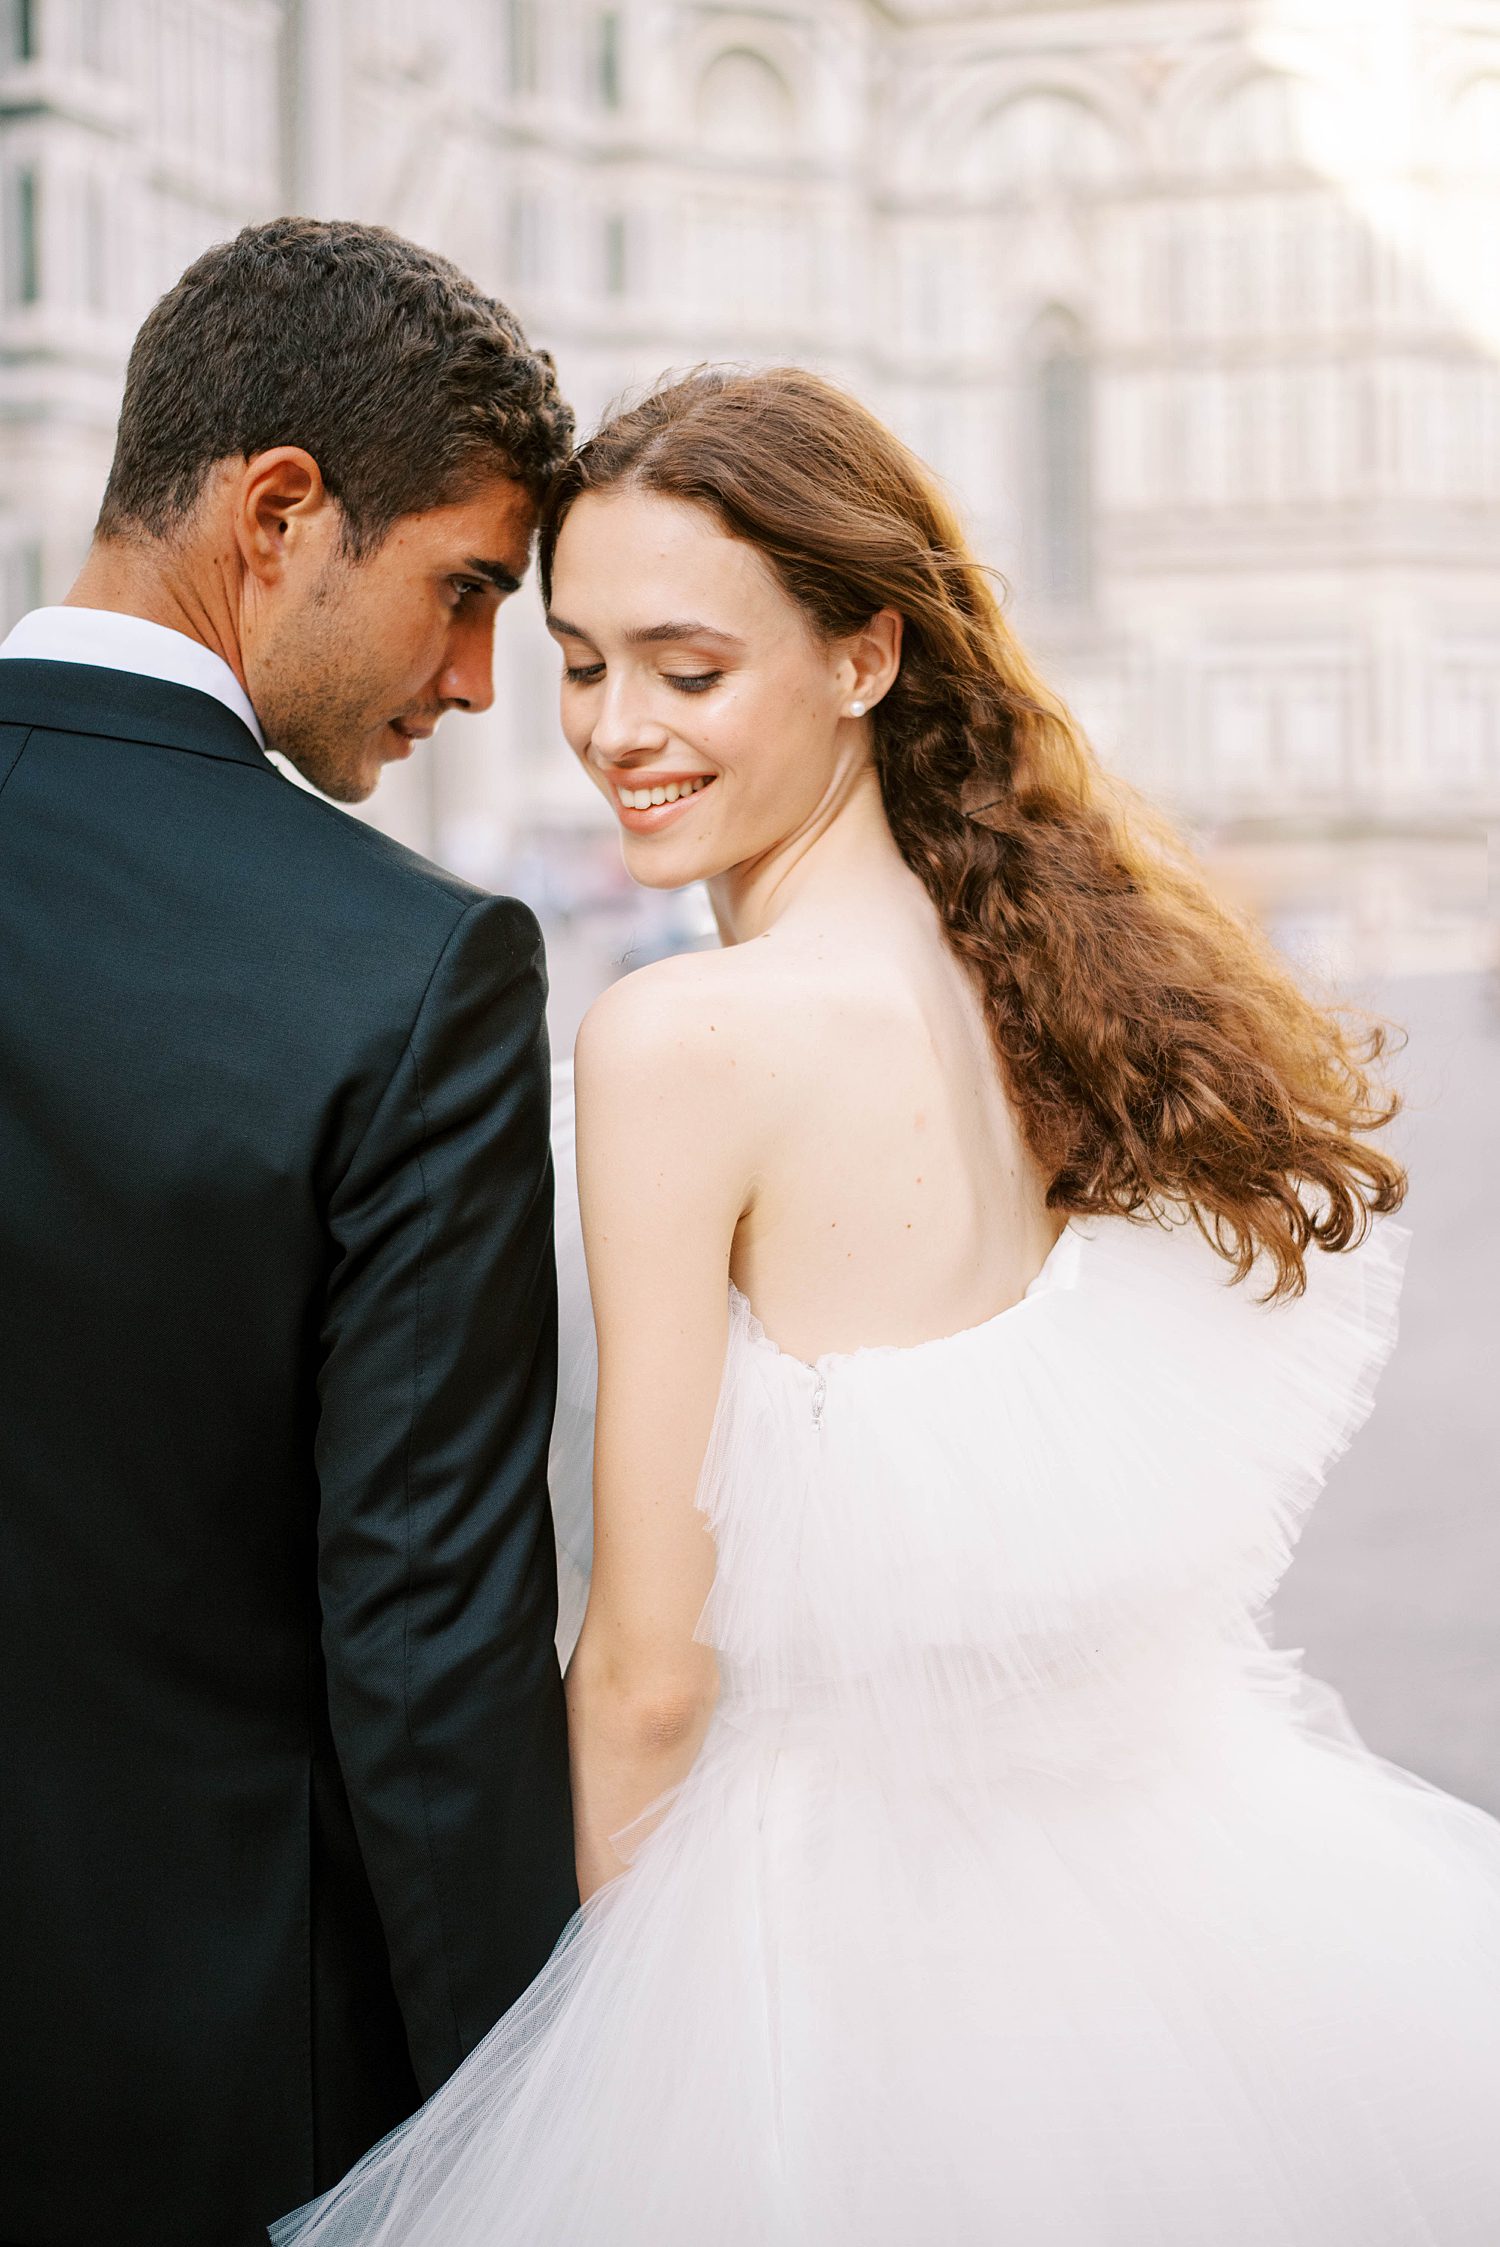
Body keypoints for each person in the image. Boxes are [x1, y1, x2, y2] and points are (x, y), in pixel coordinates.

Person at [276, 364, 1500, 2245]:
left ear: (864, 657)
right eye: (584, 662)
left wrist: (568, 2065)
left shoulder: (686, 1039)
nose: (618, 729)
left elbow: (650, 1673)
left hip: (816, 1944)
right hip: (1145, 1904)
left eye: (691, 670)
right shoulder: (1020, 964)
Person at [0, 218, 580, 2247]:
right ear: (279, 513)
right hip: (205, 2092)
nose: (475, 681)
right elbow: (431, 1657)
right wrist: (537, 2124)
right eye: (465, 590)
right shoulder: (401, 976)